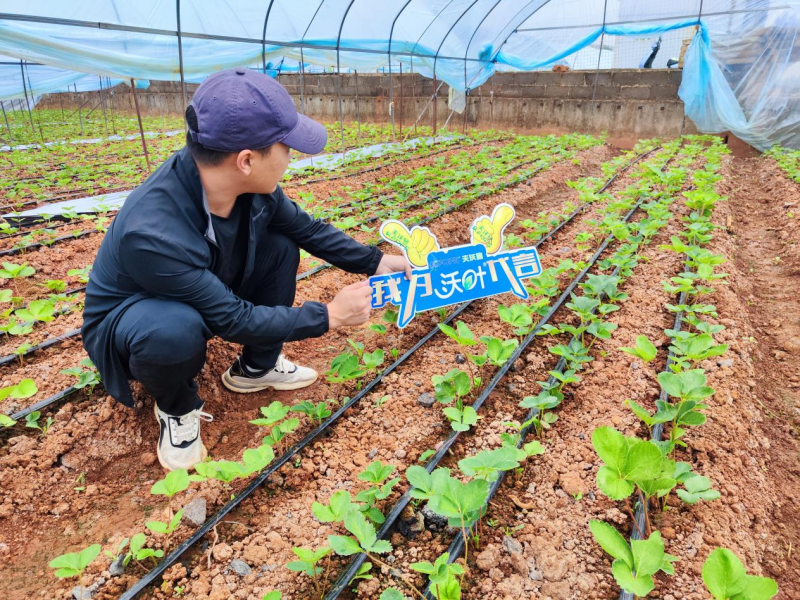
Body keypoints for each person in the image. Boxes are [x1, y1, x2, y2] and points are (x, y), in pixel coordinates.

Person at [81, 68, 410, 471]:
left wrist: (375, 261)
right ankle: (176, 407)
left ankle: (257, 367)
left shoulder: (251, 189)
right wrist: (330, 316)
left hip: (197, 281)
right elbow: (232, 318)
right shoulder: (152, 231)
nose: (291, 158)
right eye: (286, 148)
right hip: (135, 316)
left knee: (280, 247)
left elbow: (305, 228)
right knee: (172, 331)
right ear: (247, 160)